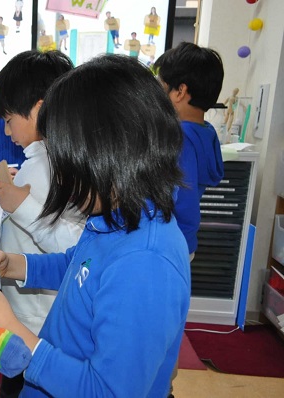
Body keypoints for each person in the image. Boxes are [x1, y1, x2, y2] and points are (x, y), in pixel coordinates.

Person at [0, 54, 190, 398]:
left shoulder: (146, 264)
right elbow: (77, 266)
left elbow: (105, 391)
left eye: (64, 163)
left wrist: (10, 329)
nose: (60, 177)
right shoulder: (115, 218)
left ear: (106, 155)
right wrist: (15, 264)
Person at [0, 50, 86, 397]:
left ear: (41, 109)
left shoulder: (49, 163)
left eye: (9, 117)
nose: (5, 128)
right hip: (30, 309)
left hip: (36, 321)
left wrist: (19, 204)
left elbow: (75, 248)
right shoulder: (43, 160)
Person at [154, 41, 225, 398]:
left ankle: (160, 384)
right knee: (171, 314)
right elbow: (210, 176)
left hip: (172, 242)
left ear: (180, 91)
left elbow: (177, 197)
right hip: (187, 244)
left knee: (158, 320)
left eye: (160, 84)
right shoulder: (206, 132)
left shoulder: (178, 136)